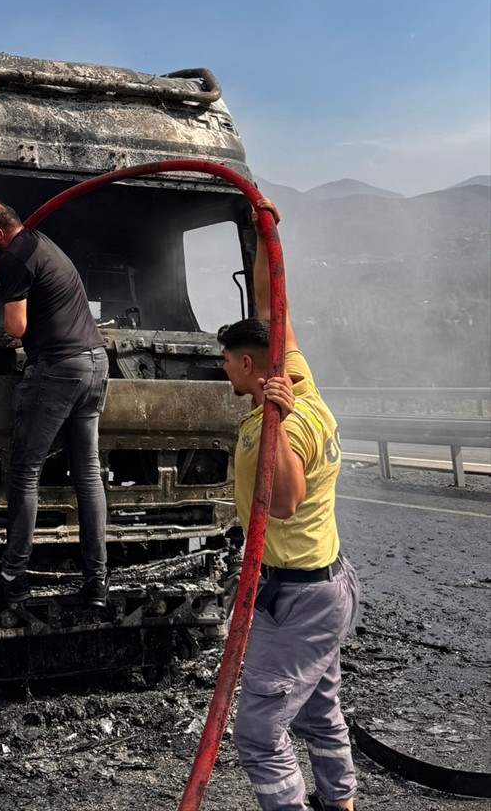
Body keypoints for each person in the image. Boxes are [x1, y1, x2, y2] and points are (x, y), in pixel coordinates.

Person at [219, 199, 359, 811]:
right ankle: (343, 802)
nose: (220, 368)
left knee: (258, 731)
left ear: (246, 366)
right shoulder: (296, 371)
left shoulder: (275, 423)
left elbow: (284, 500)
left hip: (297, 598)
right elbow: (273, 307)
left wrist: (273, 421)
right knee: (319, 714)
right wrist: (261, 232)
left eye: (225, 361)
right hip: (326, 588)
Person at [0, 199, 109, 608]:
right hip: (96, 364)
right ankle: (96, 581)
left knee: (25, 471)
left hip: (58, 369)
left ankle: (12, 577)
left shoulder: (14, 261)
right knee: (88, 474)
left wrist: (2, 282)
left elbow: (16, 328)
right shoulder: (40, 241)